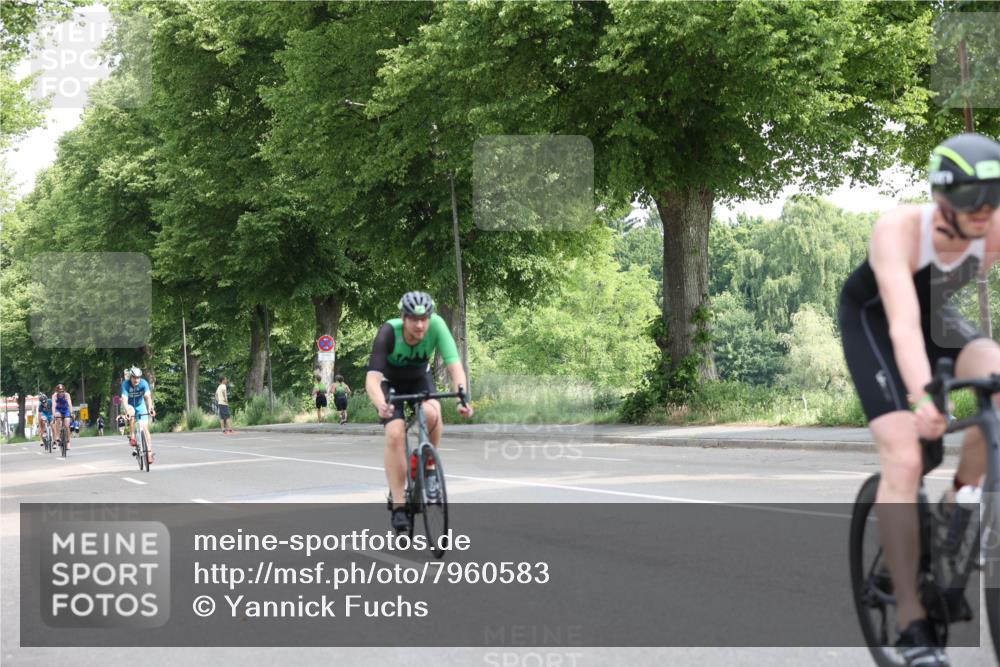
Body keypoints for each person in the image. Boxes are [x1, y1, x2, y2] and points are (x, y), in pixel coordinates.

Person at [839, 132, 1000, 667]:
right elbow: (904, 327)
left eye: (993, 200)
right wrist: (921, 398)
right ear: (941, 200)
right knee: (906, 454)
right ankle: (911, 624)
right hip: (878, 322)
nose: (984, 214)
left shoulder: (994, 225)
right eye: (972, 204)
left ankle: (962, 496)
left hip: (939, 315)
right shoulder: (898, 231)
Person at [366, 291, 474, 533]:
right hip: (389, 383)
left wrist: (463, 398)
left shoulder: (437, 326)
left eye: (424, 319)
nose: (420, 325)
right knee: (395, 432)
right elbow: (372, 380)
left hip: (418, 379)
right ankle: (399, 505)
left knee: (433, 413)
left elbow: (455, 365)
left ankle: (429, 470)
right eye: (414, 320)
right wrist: (381, 404)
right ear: (403, 318)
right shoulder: (388, 332)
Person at [121, 366, 156, 464]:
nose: (136, 380)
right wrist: (127, 410)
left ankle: (149, 453)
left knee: (145, 427)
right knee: (131, 414)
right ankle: (132, 436)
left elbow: (148, 397)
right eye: (134, 378)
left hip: (141, 406)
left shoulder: (144, 383)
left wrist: (150, 408)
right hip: (130, 405)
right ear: (130, 377)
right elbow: (124, 399)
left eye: (138, 378)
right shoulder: (125, 384)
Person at [50, 384, 74, 450]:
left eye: (62, 391)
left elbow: (70, 404)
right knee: (58, 418)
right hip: (58, 410)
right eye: (59, 391)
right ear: (57, 391)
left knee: (67, 424)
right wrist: (54, 414)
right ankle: (57, 435)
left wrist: (71, 412)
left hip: (66, 410)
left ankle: (68, 442)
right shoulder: (54, 396)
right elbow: (53, 406)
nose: (61, 393)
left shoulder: (67, 395)